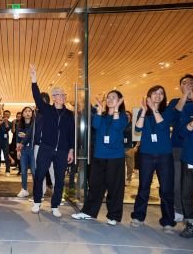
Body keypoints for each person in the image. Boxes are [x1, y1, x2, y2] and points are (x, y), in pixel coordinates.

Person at [71, 91, 127, 225]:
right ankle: (88, 212)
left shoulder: (123, 116)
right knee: (95, 186)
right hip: (99, 156)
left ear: (120, 100)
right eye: (109, 97)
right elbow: (95, 126)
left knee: (114, 187)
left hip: (115, 157)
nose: (110, 99)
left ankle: (113, 216)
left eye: (114, 97)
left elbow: (116, 126)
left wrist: (116, 110)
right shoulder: (100, 115)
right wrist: (100, 109)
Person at [29, 64, 74, 218]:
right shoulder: (47, 110)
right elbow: (36, 97)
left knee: (60, 180)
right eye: (60, 95)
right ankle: (37, 202)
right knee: (40, 175)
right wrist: (34, 79)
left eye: (64, 94)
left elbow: (71, 133)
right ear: (54, 97)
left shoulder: (69, 114)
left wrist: (71, 150)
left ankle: (55, 205)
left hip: (62, 151)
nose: (63, 97)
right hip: (45, 149)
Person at [130, 85, 176, 234]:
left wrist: (154, 109)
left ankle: (168, 221)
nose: (158, 95)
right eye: (155, 92)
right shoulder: (143, 111)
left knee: (166, 189)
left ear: (164, 97)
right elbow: (137, 129)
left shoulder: (168, 111)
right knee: (143, 187)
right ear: (149, 95)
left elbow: (163, 126)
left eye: (161, 93)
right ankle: (138, 217)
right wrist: (144, 110)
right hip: (146, 154)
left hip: (164, 155)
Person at [168, 74, 193, 222]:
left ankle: (190, 214)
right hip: (178, 147)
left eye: (192, 82)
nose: (188, 84)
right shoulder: (174, 102)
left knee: (190, 183)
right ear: (180, 87)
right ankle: (179, 210)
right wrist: (185, 96)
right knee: (178, 182)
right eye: (185, 83)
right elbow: (175, 114)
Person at [178, 100, 193, 238]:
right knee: (187, 193)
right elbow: (182, 132)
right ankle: (191, 224)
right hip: (190, 158)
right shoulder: (189, 108)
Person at [16, 107, 35, 197]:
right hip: (23, 150)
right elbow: (17, 139)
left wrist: (25, 136)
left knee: (34, 170)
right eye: (25, 111)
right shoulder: (19, 125)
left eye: (29, 111)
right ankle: (24, 189)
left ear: (32, 113)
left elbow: (37, 138)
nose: (28, 113)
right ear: (22, 114)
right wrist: (18, 151)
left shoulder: (35, 124)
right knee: (23, 170)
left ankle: (36, 189)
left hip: (33, 149)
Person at [0, 109, 12, 177]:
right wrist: (1, 121)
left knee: (6, 156)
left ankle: (7, 170)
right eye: (5, 114)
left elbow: (7, 129)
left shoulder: (10, 123)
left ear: (9, 116)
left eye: (8, 114)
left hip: (5, 143)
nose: (6, 115)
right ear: (3, 115)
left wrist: (6, 122)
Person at [124, 111, 134, 186]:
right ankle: (121, 179)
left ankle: (128, 179)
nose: (127, 116)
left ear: (130, 116)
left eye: (128, 115)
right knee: (120, 165)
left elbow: (138, 136)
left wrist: (136, 146)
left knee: (130, 165)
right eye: (125, 115)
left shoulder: (133, 125)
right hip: (121, 147)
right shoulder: (121, 124)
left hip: (130, 147)